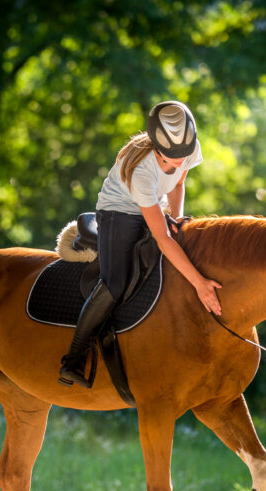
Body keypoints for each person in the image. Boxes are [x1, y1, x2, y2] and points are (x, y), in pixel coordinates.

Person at [59, 100, 223, 387]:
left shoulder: (186, 149)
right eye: (175, 157)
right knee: (116, 284)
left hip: (153, 204)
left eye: (186, 155)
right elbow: (162, 239)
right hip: (119, 211)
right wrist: (199, 283)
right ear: (159, 150)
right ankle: (72, 360)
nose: (183, 161)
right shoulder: (141, 171)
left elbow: (178, 184)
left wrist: (178, 216)